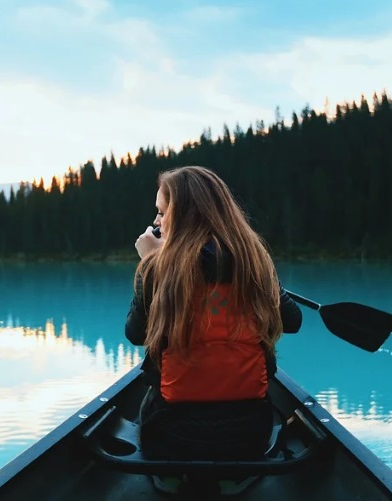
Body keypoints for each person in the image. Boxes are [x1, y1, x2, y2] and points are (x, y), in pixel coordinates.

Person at [124, 166, 302, 493]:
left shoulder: (158, 267)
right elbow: (293, 322)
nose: (156, 222)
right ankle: (236, 478)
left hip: (170, 437)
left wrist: (149, 265)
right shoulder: (254, 260)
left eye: (162, 212)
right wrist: (270, 280)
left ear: (184, 215)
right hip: (247, 437)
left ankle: (170, 478)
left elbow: (135, 334)